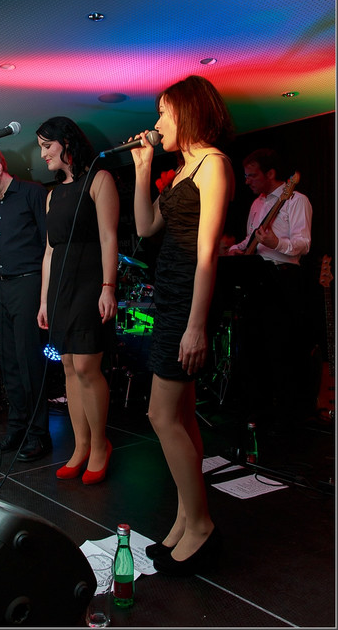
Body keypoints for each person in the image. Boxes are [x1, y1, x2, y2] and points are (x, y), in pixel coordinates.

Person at [130, 75, 235, 575]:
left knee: (161, 415)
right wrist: (143, 168)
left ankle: (201, 525)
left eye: (164, 113)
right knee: (183, 416)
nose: (157, 123)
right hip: (169, 296)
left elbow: (207, 254)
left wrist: (196, 326)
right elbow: (145, 227)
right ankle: (185, 517)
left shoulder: (213, 164)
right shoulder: (181, 169)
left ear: (187, 113)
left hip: (186, 306)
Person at [36, 116, 119, 484]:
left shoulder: (99, 180)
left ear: (66, 143)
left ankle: (100, 445)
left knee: (86, 365)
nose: (42, 154)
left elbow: (108, 237)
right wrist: (43, 301)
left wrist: (108, 287)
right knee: (68, 365)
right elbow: (49, 252)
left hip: (89, 280)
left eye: (46, 146)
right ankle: (81, 445)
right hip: (60, 285)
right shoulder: (53, 194)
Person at [0, 145, 51, 461]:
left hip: (29, 283)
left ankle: (38, 434)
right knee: (10, 363)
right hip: (2, 289)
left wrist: (45, 296)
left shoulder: (33, 193)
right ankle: (17, 429)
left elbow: (49, 246)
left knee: (29, 361)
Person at [225, 147, 313, 425]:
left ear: (271, 173)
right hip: (257, 277)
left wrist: (276, 243)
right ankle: (257, 408)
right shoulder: (256, 204)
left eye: (252, 175)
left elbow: (304, 244)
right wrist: (234, 250)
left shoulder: (296, 200)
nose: (247, 181)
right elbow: (250, 239)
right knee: (254, 345)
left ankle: (288, 413)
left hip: (284, 278)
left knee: (282, 346)